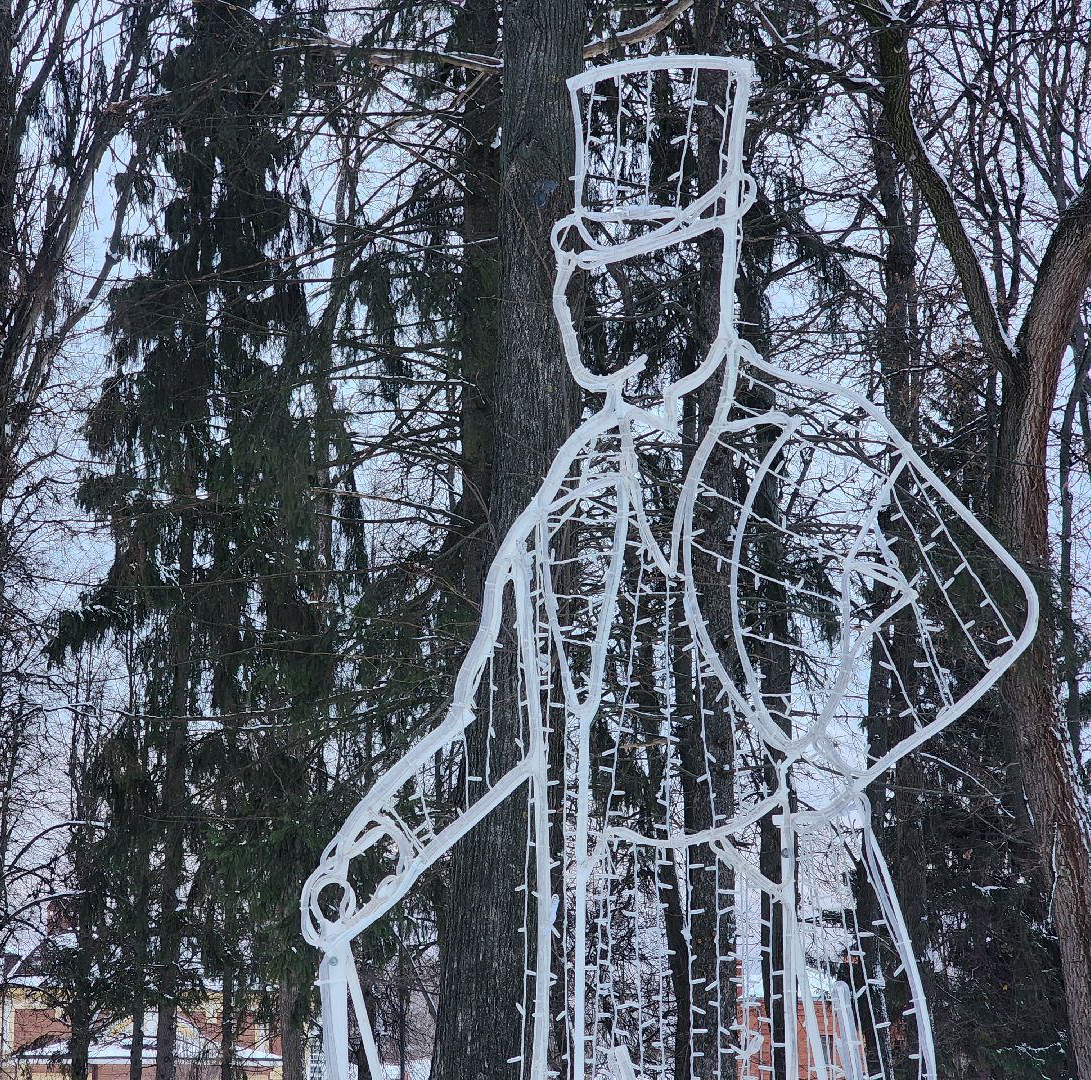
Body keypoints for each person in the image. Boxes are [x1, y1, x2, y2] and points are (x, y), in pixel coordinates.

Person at [301, 55, 1036, 1080]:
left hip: (801, 929)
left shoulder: (816, 437)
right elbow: (487, 734)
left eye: (634, 270)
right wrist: (368, 862)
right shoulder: (569, 508)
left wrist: (822, 756)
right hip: (611, 958)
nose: (603, 310)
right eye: (584, 278)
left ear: (707, 262)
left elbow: (985, 610)